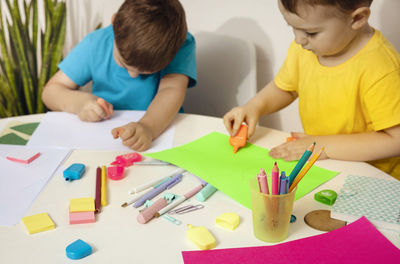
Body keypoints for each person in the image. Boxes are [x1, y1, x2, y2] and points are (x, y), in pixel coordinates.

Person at [223, 0, 400, 179]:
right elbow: (286, 88)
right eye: (292, 27)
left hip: (375, 179)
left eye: (311, 32)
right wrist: (254, 106)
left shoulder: (380, 67)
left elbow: (396, 140)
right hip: (325, 164)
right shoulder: (306, 49)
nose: (298, 39)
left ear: (357, 18)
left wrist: (322, 145)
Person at [42, 0, 196, 151]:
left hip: (161, 134)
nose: (133, 75)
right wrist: (79, 103)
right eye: (124, 64)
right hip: (102, 141)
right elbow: (51, 91)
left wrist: (148, 127)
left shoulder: (181, 45)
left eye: (145, 73)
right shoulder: (96, 44)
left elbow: (171, 90)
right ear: (114, 23)